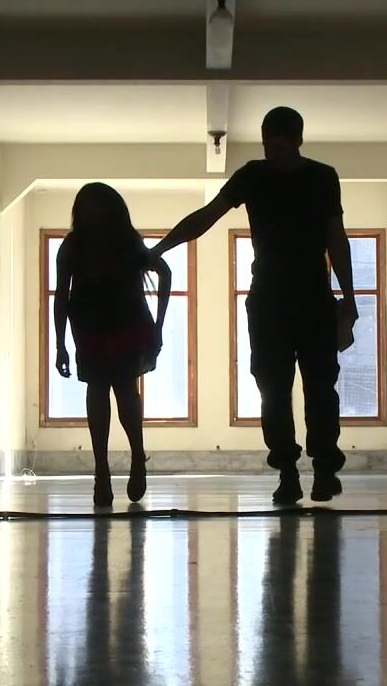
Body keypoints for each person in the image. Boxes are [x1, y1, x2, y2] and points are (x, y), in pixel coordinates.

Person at [150, 107, 358, 504]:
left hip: (313, 299)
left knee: (320, 388)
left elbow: (336, 237)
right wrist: (159, 249)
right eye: (267, 147)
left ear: (297, 141)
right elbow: (207, 216)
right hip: (269, 302)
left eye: (279, 147)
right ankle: (288, 472)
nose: (272, 155)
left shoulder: (322, 177)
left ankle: (324, 470)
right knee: (272, 388)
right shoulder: (254, 175)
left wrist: (348, 298)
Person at [54, 182, 171, 507]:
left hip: (118, 325)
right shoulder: (81, 245)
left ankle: (129, 461)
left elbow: (163, 272)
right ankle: (106, 469)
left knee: (118, 391)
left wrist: (159, 325)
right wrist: (59, 343)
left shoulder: (120, 243)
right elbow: (60, 296)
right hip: (97, 326)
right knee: (107, 390)